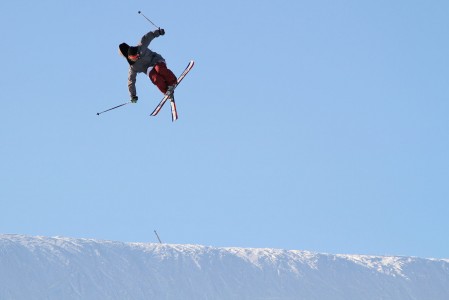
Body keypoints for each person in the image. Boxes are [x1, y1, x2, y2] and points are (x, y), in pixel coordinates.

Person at [119, 28, 177, 103]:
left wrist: (158, 32)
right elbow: (131, 81)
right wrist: (133, 95)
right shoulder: (133, 67)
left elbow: (148, 36)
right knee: (156, 78)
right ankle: (167, 91)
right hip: (148, 69)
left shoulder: (141, 46)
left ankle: (172, 82)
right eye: (133, 58)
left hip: (156, 60)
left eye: (137, 55)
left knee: (159, 69)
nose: (136, 58)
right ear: (129, 57)